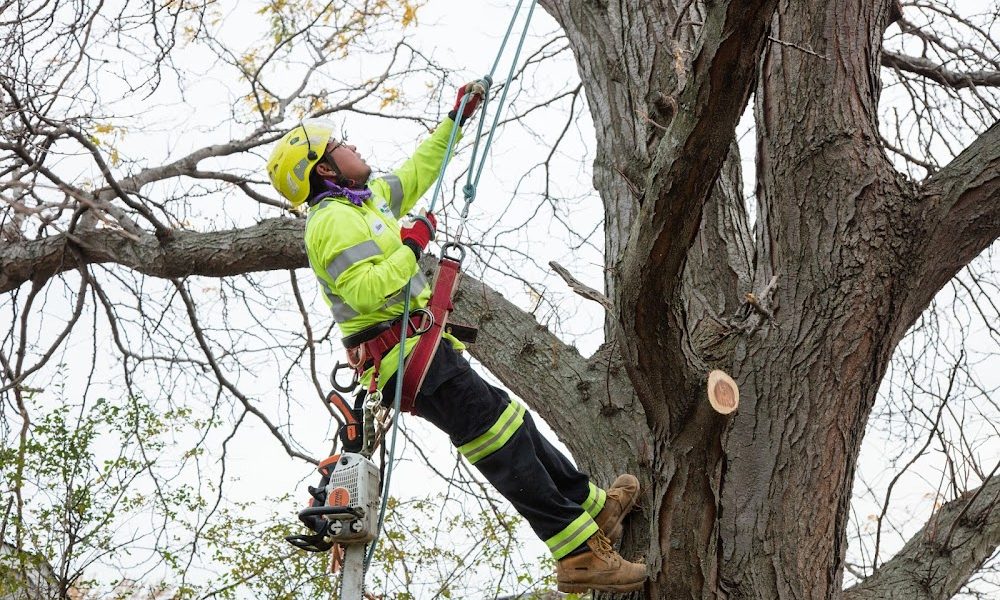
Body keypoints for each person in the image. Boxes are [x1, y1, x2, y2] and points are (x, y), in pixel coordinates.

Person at [266, 82, 648, 592]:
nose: (353, 147)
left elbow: (419, 170)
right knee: (497, 441)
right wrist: (410, 247)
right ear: (325, 170)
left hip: (419, 347)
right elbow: (362, 291)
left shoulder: (366, 201)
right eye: (341, 146)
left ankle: (590, 507)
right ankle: (577, 553)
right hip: (398, 355)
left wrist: (456, 119)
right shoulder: (331, 221)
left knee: (511, 422)